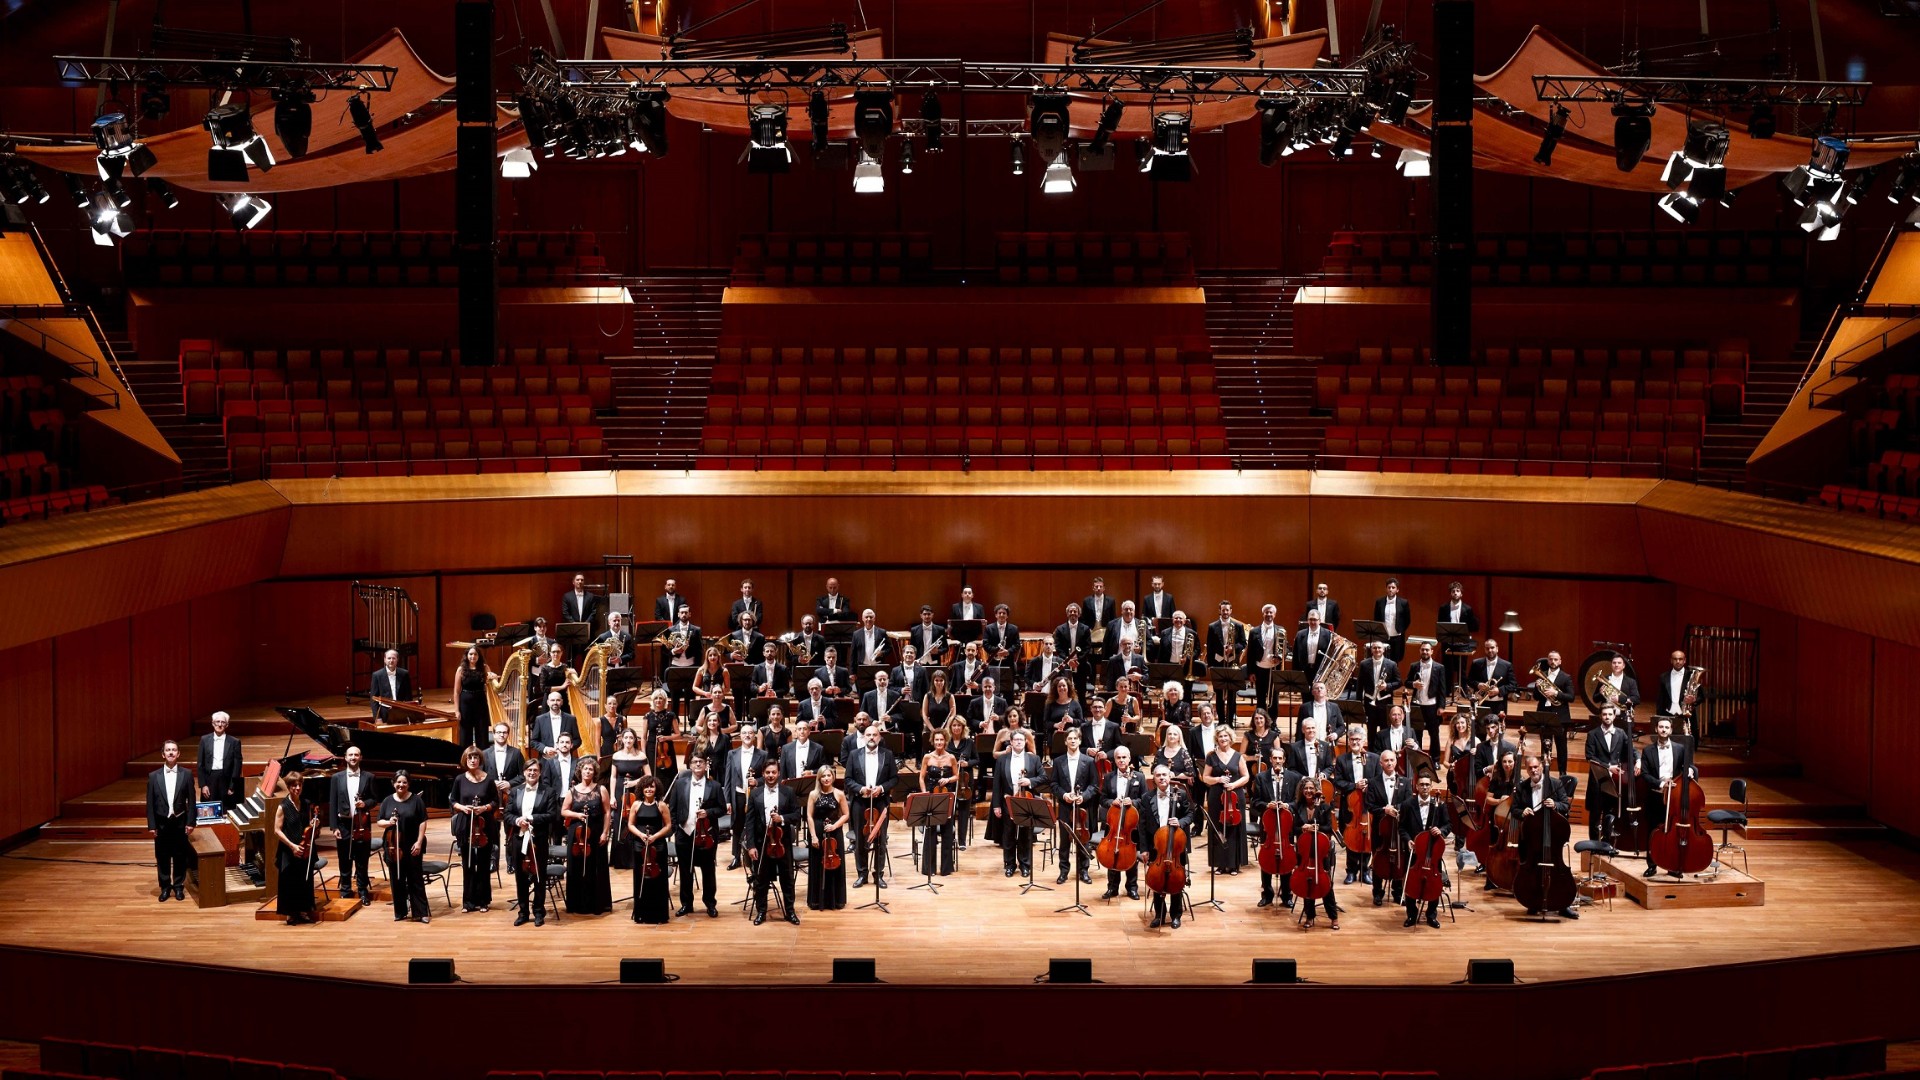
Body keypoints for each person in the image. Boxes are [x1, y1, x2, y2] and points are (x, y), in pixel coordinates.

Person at [1514, 754, 1580, 919]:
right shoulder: (1522, 787)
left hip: (1552, 836)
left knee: (1556, 868)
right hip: (1531, 836)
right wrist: (1523, 812)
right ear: (1526, 769)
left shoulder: (1555, 784)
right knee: (1531, 869)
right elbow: (1514, 809)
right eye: (1530, 768)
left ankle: (1563, 905)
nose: (1533, 770)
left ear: (1541, 767)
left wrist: (1555, 805)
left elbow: (1565, 805)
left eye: (1536, 767)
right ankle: (1533, 901)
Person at [1637, 717, 1697, 879]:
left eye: (1667, 727)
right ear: (1656, 729)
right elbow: (1645, 774)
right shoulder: (1648, 751)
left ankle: (1672, 866)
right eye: (1661, 727)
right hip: (1656, 796)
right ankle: (1652, 865)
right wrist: (1661, 784)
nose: (1663, 730)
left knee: (1673, 831)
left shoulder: (1680, 748)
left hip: (1675, 797)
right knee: (1653, 831)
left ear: (1671, 730)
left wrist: (1690, 771)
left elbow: (1689, 766)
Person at [667, 753, 724, 917]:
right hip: (684, 834)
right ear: (690, 766)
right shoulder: (679, 784)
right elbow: (672, 808)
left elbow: (721, 810)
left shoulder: (715, 786)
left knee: (708, 871)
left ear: (706, 765)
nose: (698, 764)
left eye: (701, 762)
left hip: (706, 835)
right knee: (685, 871)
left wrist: (708, 812)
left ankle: (710, 904)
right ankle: (686, 904)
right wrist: (677, 829)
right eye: (694, 762)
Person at [745, 761, 801, 924]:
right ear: (763, 773)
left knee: (787, 880)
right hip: (762, 843)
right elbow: (749, 822)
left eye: (774, 772)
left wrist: (782, 818)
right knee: (761, 880)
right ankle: (761, 911)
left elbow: (797, 815)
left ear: (778, 773)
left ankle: (790, 912)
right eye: (768, 772)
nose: (771, 775)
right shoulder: (755, 794)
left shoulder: (788, 792)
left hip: (782, 843)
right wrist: (751, 845)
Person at [1138, 763, 1193, 929]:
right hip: (1156, 846)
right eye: (1158, 775)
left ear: (1170, 777)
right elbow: (1142, 824)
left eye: (1164, 775)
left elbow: (1191, 814)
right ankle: (1159, 915)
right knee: (1157, 881)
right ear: (1153, 779)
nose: (1161, 778)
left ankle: (1176, 915)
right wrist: (1144, 849)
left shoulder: (1181, 795)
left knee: (1176, 881)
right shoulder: (1147, 798)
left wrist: (1181, 822)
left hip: (1176, 846)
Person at [375, 769, 431, 923]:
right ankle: (400, 912)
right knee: (396, 879)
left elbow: (423, 821)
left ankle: (421, 912)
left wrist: (419, 842)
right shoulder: (387, 801)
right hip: (393, 847)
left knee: (416, 880)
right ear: (394, 783)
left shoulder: (416, 800)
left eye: (404, 782)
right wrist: (389, 822)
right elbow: (379, 821)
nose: (401, 785)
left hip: (413, 845)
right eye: (398, 782)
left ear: (408, 784)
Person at [846, 723, 898, 889]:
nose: (871, 738)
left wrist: (881, 788)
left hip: (881, 802)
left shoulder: (887, 754)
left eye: (874, 735)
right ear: (864, 737)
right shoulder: (854, 755)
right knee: (860, 840)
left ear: (879, 737)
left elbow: (894, 779)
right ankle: (862, 874)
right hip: (860, 803)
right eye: (868, 735)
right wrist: (861, 789)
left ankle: (879, 875)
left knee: (880, 839)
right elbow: (848, 780)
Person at [990, 728, 1046, 878]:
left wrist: (1030, 781)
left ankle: (1025, 865)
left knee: (1026, 834)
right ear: (1011, 742)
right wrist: (996, 805)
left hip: (1026, 801)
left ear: (1025, 742)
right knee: (1008, 834)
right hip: (1008, 801)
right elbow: (997, 784)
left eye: (1021, 740)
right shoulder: (1002, 759)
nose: (1019, 742)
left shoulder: (1033, 759)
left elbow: (1043, 777)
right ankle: (1009, 865)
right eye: (1016, 740)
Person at [561, 757, 613, 915]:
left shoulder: (601, 789)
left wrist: (605, 832)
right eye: (585, 769)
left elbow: (607, 812)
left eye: (591, 769)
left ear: (594, 772)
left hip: (596, 833)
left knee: (596, 868)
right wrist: (577, 815)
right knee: (576, 868)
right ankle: (577, 904)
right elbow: (564, 811)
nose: (588, 771)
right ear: (580, 771)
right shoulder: (572, 791)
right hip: (577, 836)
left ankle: (596, 904)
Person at [450, 746, 499, 913]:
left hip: (484, 826)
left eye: (476, 757)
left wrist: (484, 808)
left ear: (480, 760)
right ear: (466, 760)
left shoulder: (488, 779)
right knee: (468, 864)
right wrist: (462, 808)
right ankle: (468, 902)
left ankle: (484, 900)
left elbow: (495, 802)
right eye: (470, 758)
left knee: (484, 864)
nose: (473, 760)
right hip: (466, 825)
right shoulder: (459, 780)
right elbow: (452, 801)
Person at [1250, 758, 1303, 910]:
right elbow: (1255, 802)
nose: (1278, 761)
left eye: (1280, 758)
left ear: (1284, 760)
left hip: (1287, 824)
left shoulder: (1294, 777)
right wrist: (1267, 805)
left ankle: (1287, 895)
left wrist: (1288, 806)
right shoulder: (1261, 777)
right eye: (1275, 758)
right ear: (1271, 760)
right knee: (1266, 858)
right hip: (1268, 824)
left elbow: (1298, 801)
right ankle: (1267, 895)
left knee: (1287, 858)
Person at [146, 740, 195, 902]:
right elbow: (150, 803)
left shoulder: (187, 774)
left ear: (178, 754)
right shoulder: (153, 776)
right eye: (168, 750)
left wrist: (190, 822)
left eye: (174, 750)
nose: (171, 753)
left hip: (180, 822)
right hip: (161, 824)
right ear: (163, 754)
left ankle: (179, 886)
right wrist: (152, 825)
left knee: (180, 856)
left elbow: (192, 801)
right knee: (162, 857)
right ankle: (165, 887)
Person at [508, 759, 554, 926]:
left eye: (535, 770)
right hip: (519, 839)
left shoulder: (548, 791)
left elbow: (551, 815)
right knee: (520, 877)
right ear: (524, 772)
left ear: (540, 773)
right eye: (529, 770)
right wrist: (517, 821)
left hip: (538, 839)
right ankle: (523, 912)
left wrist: (532, 818)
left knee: (539, 876)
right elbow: (508, 814)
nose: (532, 773)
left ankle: (539, 912)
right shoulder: (515, 791)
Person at [1331, 726, 1379, 885]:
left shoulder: (1374, 758)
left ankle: (1366, 870)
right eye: (1352, 740)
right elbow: (1337, 782)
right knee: (1350, 838)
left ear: (1364, 741)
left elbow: (1379, 780)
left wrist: (1369, 785)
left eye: (1358, 739)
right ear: (1349, 742)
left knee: (1368, 838)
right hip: (1350, 806)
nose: (1355, 742)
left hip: (1369, 806)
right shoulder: (1342, 760)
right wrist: (1354, 785)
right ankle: (1351, 871)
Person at [327, 745, 376, 902]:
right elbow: (332, 803)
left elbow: (374, 799)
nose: (353, 757)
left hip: (362, 824)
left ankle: (362, 890)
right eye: (350, 755)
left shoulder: (369, 777)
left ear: (361, 757)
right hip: (343, 824)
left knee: (362, 859)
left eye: (356, 754)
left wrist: (365, 804)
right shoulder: (336, 778)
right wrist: (334, 826)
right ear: (345, 758)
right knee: (344, 859)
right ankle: (345, 889)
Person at [1402, 773, 1450, 928]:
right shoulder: (1408, 804)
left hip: (1433, 852)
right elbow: (1401, 827)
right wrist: (1408, 840)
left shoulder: (1440, 805)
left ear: (1431, 786)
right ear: (1416, 786)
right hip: (1415, 851)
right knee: (1411, 883)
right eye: (1421, 784)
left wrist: (1441, 831)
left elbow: (1448, 825)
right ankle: (1411, 914)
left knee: (1434, 882)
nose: (1424, 787)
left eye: (1427, 784)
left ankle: (1431, 915)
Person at [1051, 727, 1098, 885]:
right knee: (1064, 841)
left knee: (1083, 840)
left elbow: (1094, 785)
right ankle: (1063, 871)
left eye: (1075, 738)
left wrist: (1083, 796)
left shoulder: (1089, 761)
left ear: (1080, 740)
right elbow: (1054, 784)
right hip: (1065, 806)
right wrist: (1064, 795)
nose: (1072, 741)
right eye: (1069, 738)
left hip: (1082, 808)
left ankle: (1083, 871)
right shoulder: (1058, 761)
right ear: (1065, 741)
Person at [272, 767, 319, 924]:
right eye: (294, 785)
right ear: (288, 786)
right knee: (289, 881)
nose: (297, 788)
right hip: (289, 849)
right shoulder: (282, 806)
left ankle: (304, 910)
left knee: (304, 880)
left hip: (305, 848)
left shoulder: (306, 804)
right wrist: (292, 846)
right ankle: (291, 913)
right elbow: (277, 830)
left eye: (299, 785)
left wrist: (314, 823)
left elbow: (309, 825)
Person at [1099, 745, 1146, 901]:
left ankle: (1132, 888)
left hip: (1131, 826)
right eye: (1118, 757)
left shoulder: (1138, 777)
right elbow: (1103, 799)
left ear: (1129, 758)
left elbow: (1144, 799)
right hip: (1113, 823)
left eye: (1124, 757)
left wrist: (1132, 802)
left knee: (1130, 855)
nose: (1121, 760)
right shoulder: (1108, 777)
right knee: (1111, 854)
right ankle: (1112, 888)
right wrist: (1112, 802)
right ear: (1115, 760)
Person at [1201, 726, 1250, 875]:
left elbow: (1246, 776)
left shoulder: (1238, 756)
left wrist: (1233, 784)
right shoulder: (1211, 756)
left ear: (1230, 738)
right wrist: (1218, 779)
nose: (1223, 739)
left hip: (1235, 796)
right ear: (1217, 739)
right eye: (1220, 736)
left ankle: (1234, 864)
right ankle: (1220, 864)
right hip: (1216, 796)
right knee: (1217, 827)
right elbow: (1205, 777)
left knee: (1234, 828)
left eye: (1225, 736)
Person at [625, 775, 672, 924]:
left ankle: (658, 915)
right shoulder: (636, 804)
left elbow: (668, 826)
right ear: (642, 789)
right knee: (641, 879)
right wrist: (640, 835)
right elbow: (630, 824)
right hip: (640, 845)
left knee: (658, 879)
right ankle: (641, 913)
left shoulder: (661, 805)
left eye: (652, 786)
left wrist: (655, 837)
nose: (649, 789)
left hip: (657, 846)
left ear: (656, 788)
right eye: (646, 787)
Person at [1292, 780, 1339, 930]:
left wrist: (1316, 827)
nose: (1308, 791)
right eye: (1305, 788)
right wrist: (1303, 828)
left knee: (1326, 885)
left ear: (1316, 790)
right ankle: (1309, 916)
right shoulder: (1298, 807)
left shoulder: (1324, 807)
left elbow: (1328, 827)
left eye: (1311, 788)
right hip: (1305, 852)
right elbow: (1293, 829)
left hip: (1320, 852)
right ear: (1302, 791)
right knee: (1307, 883)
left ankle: (1333, 917)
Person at [1365, 748, 1407, 907]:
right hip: (1380, 830)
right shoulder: (1373, 782)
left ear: (1396, 762)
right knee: (1378, 858)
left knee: (1399, 859)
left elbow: (1409, 804)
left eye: (1392, 760)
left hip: (1398, 828)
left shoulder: (1405, 782)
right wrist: (1384, 810)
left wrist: (1396, 808)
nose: (1389, 763)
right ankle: (1377, 893)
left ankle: (1398, 891)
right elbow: (1369, 805)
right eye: (1386, 760)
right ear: (1380, 763)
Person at [1584, 705, 1632, 842]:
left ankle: (1607, 843)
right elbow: (1590, 757)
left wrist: (1639, 760)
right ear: (1600, 716)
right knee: (1595, 814)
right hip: (1598, 780)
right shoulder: (1592, 734)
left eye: (1610, 714)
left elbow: (1630, 750)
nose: (1607, 717)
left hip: (1615, 781)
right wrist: (1608, 767)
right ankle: (1593, 844)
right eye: (1604, 714)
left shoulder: (1621, 733)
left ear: (1614, 716)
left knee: (1609, 813)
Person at [723, 724, 768, 870]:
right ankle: (736, 856)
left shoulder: (763, 754)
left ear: (754, 736)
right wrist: (727, 800)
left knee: (754, 824)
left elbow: (767, 776)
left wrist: (757, 781)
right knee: (737, 825)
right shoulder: (732, 754)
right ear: (740, 736)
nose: (747, 735)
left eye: (750, 733)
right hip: (738, 795)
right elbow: (728, 779)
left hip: (755, 796)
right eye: (744, 733)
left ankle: (755, 856)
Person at [920, 729, 961, 876]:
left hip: (946, 796)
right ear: (933, 741)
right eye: (936, 740)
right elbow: (921, 777)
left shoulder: (951, 758)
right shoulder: (927, 757)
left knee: (947, 831)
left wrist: (948, 779)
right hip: (931, 796)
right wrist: (924, 791)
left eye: (941, 740)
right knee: (930, 831)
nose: (939, 743)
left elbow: (957, 776)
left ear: (945, 741)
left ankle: (946, 868)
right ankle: (928, 868)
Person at [806, 771, 850, 910]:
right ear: (819, 778)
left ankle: (836, 900)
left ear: (833, 777)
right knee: (818, 864)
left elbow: (846, 814)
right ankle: (817, 901)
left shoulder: (839, 794)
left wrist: (835, 826)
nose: (826, 779)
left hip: (834, 833)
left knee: (834, 864)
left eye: (828, 776)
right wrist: (813, 835)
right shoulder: (813, 794)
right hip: (818, 832)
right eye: (823, 776)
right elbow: (809, 816)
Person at [606, 729, 649, 871]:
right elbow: (613, 777)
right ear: (622, 740)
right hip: (619, 792)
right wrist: (612, 796)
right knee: (619, 823)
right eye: (626, 738)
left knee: (634, 822)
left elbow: (648, 776)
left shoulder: (641, 755)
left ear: (635, 740)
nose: (629, 740)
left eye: (631, 738)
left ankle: (634, 859)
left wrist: (634, 783)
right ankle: (619, 859)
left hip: (635, 793)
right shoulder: (616, 755)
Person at [1530, 649, 1576, 774]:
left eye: (1556, 659)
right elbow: (1535, 697)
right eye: (1551, 659)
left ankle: (1562, 772)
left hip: (1560, 716)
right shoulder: (1541, 675)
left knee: (1561, 747)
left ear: (1560, 661)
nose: (1553, 661)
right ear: (1548, 660)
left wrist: (1555, 693)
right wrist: (1538, 688)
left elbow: (1571, 697)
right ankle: (1544, 771)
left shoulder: (1566, 677)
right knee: (1545, 744)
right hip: (1544, 714)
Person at [1406, 640, 1449, 754]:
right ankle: (1418, 755)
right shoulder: (1414, 666)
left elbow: (1442, 689)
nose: (1425, 651)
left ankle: (1435, 758)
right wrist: (1413, 684)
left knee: (1434, 733)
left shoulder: (1439, 667)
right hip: (1417, 704)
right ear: (1420, 651)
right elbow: (1406, 682)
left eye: (1427, 650)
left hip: (1432, 705)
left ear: (1431, 651)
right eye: (1423, 649)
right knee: (1417, 732)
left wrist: (1441, 706)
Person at [1206, 600, 1244, 723]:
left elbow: (1243, 643)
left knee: (1232, 695)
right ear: (1220, 611)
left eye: (1227, 610)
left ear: (1231, 611)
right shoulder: (1212, 626)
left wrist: (1233, 648)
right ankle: (1222, 721)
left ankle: (1230, 722)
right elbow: (1210, 647)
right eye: (1223, 610)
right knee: (1219, 695)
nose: (1225, 612)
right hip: (1218, 662)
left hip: (1232, 662)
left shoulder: (1238, 626)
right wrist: (1211, 666)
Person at [1355, 639, 1402, 739]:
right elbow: (1360, 685)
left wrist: (1387, 686)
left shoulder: (1391, 664)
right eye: (1374, 648)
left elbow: (1399, 682)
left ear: (1383, 650)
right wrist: (1359, 703)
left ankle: (1383, 752)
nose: (1377, 650)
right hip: (1369, 702)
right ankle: (1371, 753)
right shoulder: (1364, 664)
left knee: (1385, 730)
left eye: (1379, 648)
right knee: (1371, 730)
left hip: (1385, 702)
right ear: (1371, 650)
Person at [197, 712, 244, 810]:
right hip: (210, 780)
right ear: (213, 723)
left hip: (226, 780)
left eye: (223, 722)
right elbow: (200, 764)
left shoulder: (235, 742)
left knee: (227, 810)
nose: (220, 724)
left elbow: (237, 766)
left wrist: (232, 786)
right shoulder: (204, 740)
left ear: (227, 725)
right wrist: (203, 785)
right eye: (217, 721)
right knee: (209, 810)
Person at [1246, 603, 1286, 717]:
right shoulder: (1254, 631)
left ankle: (1273, 723)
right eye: (1266, 612)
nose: (1268, 614)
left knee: (1274, 697)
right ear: (1263, 614)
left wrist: (1279, 657)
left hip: (1274, 668)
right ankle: (1261, 721)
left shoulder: (1281, 630)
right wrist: (1251, 672)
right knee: (1261, 697)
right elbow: (1250, 654)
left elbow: (1285, 649)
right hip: (1259, 668)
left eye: (1271, 612)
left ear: (1275, 614)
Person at [529, 689, 580, 759]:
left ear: (562, 702)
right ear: (548, 702)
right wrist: (545, 749)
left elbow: (577, 740)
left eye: (558, 700)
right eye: (552, 700)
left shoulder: (571, 719)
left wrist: (565, 748)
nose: (555, 702)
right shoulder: (539, 719)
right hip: (546, 760)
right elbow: (533, 741)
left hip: (565, 758)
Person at [369, 648, 413, 720]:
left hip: (400, 711)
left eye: (393, 658)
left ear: (397, 660)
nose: (391, 661)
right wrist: (377, 718)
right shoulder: (377, 675)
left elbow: (408, 697)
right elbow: (373, 699)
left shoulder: (404, 674)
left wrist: (409, 714)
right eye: (389, 658)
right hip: (384, 713)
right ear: (385, 660)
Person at [1373, 577, 1410, 662]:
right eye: (1389, 587)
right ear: (1386, 589)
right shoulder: (1379, 602)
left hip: (1397, 637)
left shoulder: (1404, 603)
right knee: (1382, 660)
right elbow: (1376, 619)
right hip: (1383, 637)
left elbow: (1407, 620)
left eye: (1393, 588)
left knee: (1395, 661)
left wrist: (1400, 630)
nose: (1390, 589)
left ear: (1397, 590)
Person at [1292, 610, 1332, 682]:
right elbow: (1295, 656)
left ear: (1319, 621)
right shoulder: (1300, 634)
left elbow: (1330, 655)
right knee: (1305, 693)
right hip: (1304, 672)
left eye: (1315, 620)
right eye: (1310, 619)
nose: (1312, 622)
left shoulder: (1328, 634)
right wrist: (1295, 674)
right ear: (1307, 620)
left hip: (1320, 672)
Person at [533, 642, 571, 708]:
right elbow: (544, 688)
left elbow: (571, 682)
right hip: (549, 700)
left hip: (562, 700)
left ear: (561, 653)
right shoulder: (545, 668)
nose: (556, 654)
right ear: (550, 654)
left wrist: (574, 673)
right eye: (553, 652)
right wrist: (562, 687)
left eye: (558, 652)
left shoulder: (565, 667)